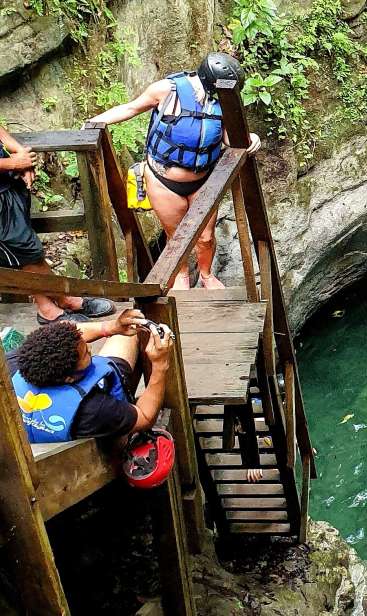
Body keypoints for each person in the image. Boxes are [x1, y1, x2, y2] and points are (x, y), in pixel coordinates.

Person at [88, 52, 263, 290]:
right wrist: (93, 123)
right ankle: (181, 273)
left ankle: (206, 275)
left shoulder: (222, 101)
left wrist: (249, 137)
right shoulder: (167, 90)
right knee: (176, 235)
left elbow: (229, 138)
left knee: (206, 237)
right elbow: (131, 108)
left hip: (204, 179)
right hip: (163, 179)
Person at [0, 124, 116, 324]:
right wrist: (13, 163)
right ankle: (62, 301)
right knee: (26, 252)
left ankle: (48, 306)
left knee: (25, 255)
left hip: (8, 186)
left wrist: (19, 154)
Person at [9, 309, 174, 443]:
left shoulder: (15, 363)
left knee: (126, 335)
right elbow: (145, 416)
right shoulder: (96, 410)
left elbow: (67, 331)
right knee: (129, 340)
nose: (89, 348)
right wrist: (159, 364)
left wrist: (111, 327)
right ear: (69, 378)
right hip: (88, 447)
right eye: (85, 355)